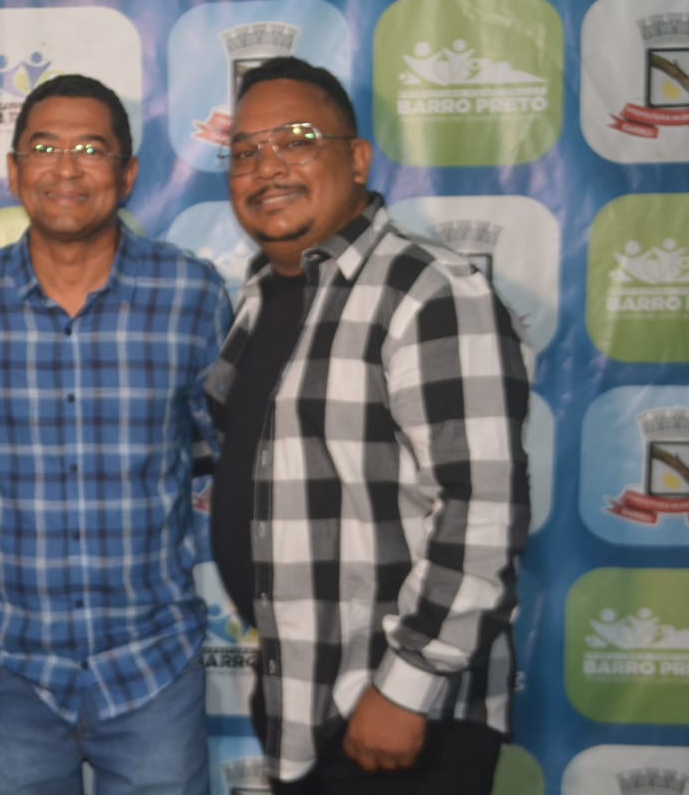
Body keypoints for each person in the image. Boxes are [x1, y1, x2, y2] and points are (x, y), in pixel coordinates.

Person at [207, 56, 530, 795]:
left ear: (356, 160)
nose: (267, 167)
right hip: (305, 704)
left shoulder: (427, 291)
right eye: (246, 151)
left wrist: (409, 684)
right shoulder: (261, 298)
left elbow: (482, 506)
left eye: (296, 140)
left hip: (401, 720)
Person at [0, 73, 233, 795]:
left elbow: (225, 448)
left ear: (128, 175)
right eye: (44, 148)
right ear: (14, 172)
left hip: (151, 662)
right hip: (9, 665)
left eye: (92, 149)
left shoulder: (192, 295)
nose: (66, 168)